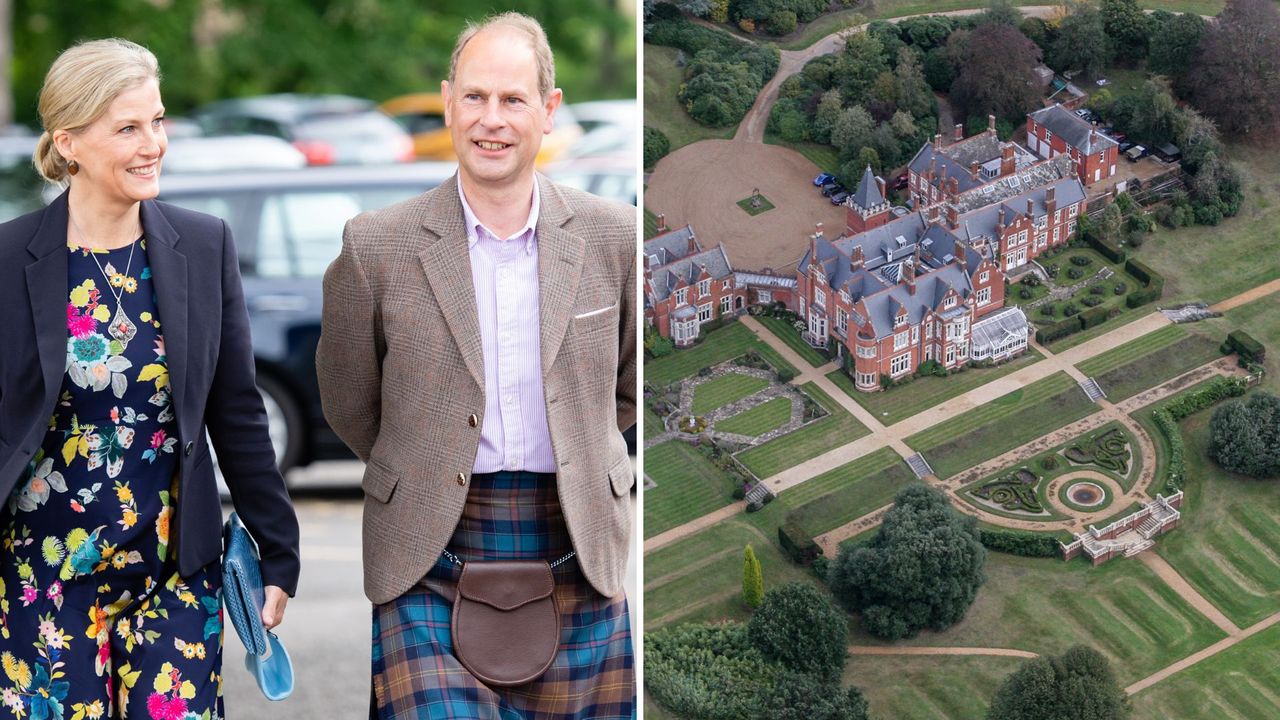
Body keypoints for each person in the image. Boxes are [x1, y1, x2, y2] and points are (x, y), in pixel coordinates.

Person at [317, 12, 636, 719]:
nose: (491, 119)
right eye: (474, 97)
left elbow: (628, 387)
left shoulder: (616, 238)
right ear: (447, 101)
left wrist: (581, 447)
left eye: (513, 100)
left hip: (575, 543)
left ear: (548, 111)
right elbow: (348, 398)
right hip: (429, 553)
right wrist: (426, 456)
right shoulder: (376, 247)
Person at [0, 38, 300, 717]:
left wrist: (279, 551)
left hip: (174, 570)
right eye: (128, 128)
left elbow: (238, 412)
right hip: (43, 575)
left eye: (158, 121)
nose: (153, 144)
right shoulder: (9, 256)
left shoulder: (202, 243)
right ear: (69, 141)